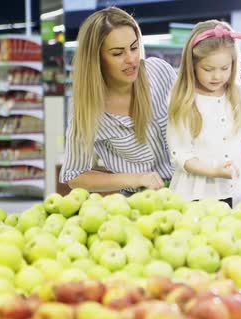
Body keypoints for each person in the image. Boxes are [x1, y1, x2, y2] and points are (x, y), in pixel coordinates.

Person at [167, 20, 241, 206]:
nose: (217, 76)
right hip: (196, 193)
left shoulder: (239, 94)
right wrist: (213, 171)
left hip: (239, 188)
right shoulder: (183, 100)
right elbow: (181, 153)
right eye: (208, 69)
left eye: (224, 68)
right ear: (192, 65)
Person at [60, 7, 177, 194]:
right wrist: (136, 178)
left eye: (134, 47)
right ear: (96, 59)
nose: (131, 59)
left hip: (190, 189)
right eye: (117, 53)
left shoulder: (160, 72)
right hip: (139, 200)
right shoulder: (87, 107)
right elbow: (75, 175)